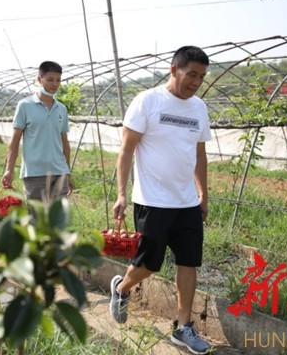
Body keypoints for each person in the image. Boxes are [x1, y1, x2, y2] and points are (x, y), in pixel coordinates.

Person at [109, 46, 212, 354]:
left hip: (186, 203)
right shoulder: (148, 101)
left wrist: (203, 194)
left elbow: (199, 154)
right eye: (191, 74)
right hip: (152, 200)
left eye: (202, 77)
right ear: (174, 70)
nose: (196, 82)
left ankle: (182, 327)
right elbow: (126, 150)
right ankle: (122, 287)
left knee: (188, 262)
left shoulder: (199, 108)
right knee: (149, 264)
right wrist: (122, 194)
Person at [1, 61, 72, 202]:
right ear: (39, 79)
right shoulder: (25, 105)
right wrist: (9, 169)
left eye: (58, 80)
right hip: (35, 173)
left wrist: (67, 172)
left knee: (58, 221)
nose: (55, 84)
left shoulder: (61, 109)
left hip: (59, 173)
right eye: (50, 79)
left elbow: (64, 142)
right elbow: (15, 141)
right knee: (36, 219)